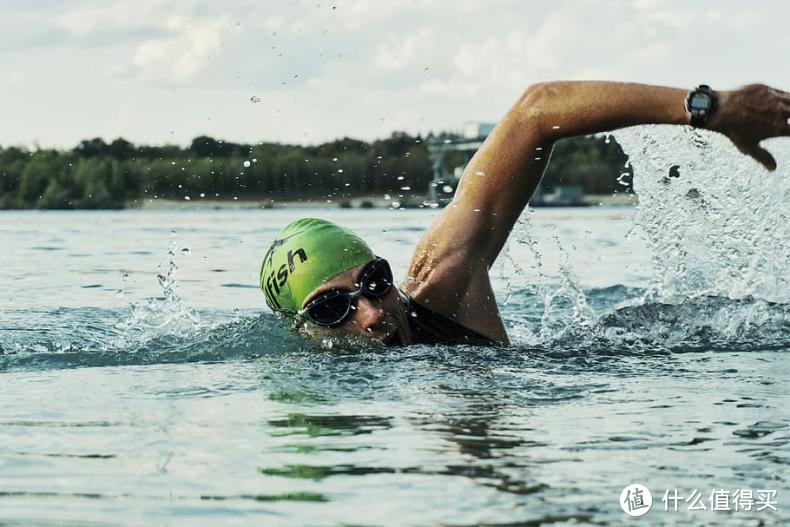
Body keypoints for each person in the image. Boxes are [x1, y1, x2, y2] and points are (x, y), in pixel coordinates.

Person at [260, 81, 790, 347]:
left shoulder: (442, 284)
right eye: (333, 310)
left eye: (374, 282)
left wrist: (709, 109)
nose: (372, 315)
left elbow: (536, 110)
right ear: (302, 330)